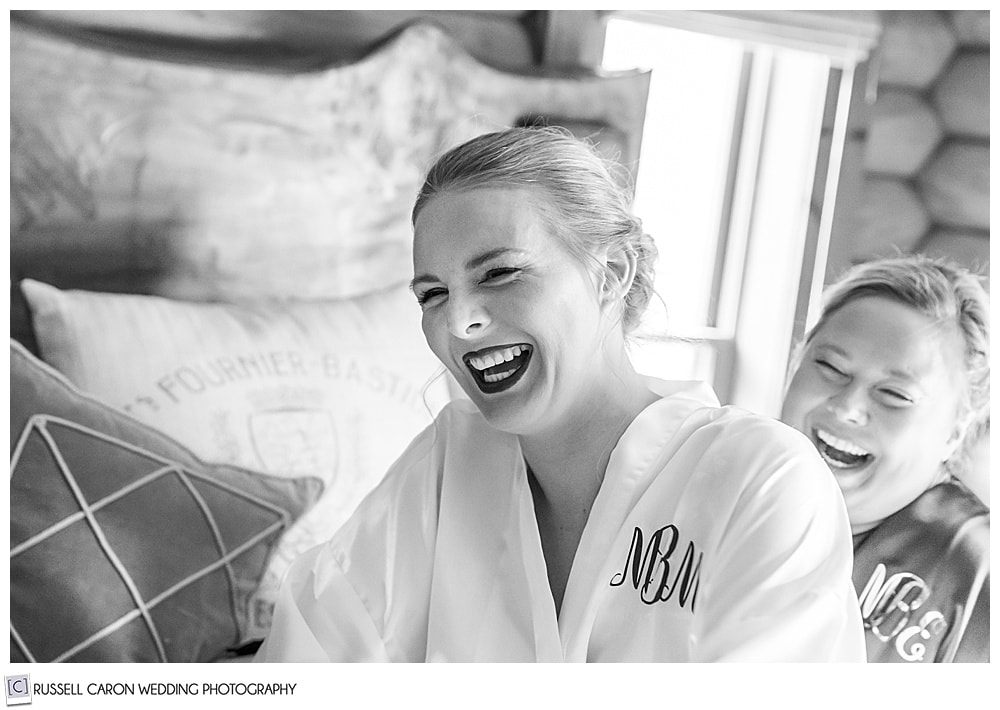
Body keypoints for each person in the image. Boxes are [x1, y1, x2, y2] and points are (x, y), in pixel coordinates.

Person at [255, 126, 864, 662]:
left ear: (613, 271)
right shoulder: (451, 458)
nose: (458, 322)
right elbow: (309, 657)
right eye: (432, 294)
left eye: (499, 273)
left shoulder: (763, 478)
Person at [780, 255, 990, 662]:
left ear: (955, 430)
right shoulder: (709, 496)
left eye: (895, 395)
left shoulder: (980, 580)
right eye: (829, 366)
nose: (847, 408)